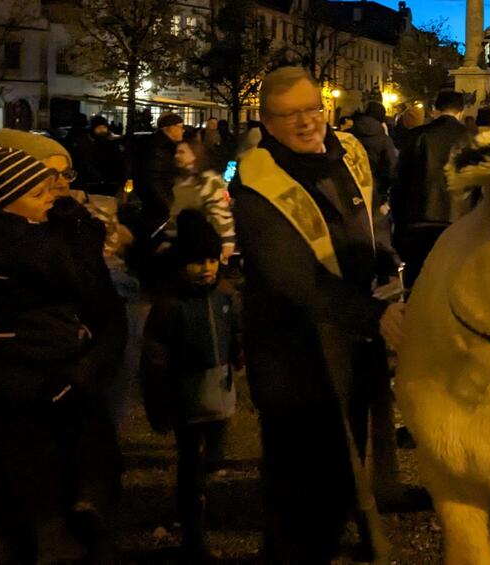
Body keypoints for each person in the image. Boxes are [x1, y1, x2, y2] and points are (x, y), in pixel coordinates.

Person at [230, 67, 412, 563]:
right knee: (298, 488)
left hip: (350, 340)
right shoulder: (257, 182)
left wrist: (388, 273)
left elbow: (372, 221)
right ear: (266, 122)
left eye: (314, 108)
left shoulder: (347, 152)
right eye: (291, 115)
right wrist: (374, 317)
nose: (308, 122)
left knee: (345, 470)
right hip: (295, 355)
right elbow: (295, 278)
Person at [0, 148, 120, 563]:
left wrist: (82, 375)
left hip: (57, 391)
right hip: (13, 402)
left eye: (59, 179)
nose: (55, 192)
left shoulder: (54, 238)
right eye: (41, 186)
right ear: (6, 192)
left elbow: (103, 311)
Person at [141, 210, 243, 564]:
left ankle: (206, 503)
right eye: (197, 262)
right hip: (186, 398)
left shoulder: (225, 296)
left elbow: (236, 335)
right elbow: (154, 359)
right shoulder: (170, 305)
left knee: (214, 456)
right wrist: (160, 406)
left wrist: (239, 356)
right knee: (191, 463)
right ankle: (193, 529)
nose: (207, 269)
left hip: (219, 392)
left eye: (212, 260)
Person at [390, 89, 471, 290]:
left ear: (434, 109)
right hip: (459, 221)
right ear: (461, 111)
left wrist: (399, 225)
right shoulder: (472, 139)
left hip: (419, 219)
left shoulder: (416, 136)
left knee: (417, 284)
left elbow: (400, 182)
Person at [171, 133, 236, 263]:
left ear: (195, 155)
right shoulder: (182, 180)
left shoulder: (209, 181)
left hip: (205, 243)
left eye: (181, 152)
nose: (176, 156)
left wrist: (227, 242)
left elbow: (221, 212)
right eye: (176, 152)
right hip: (185, 242)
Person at [135, 112, 186, 231]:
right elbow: (154, 181)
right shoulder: (160, 148)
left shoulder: (165, 146)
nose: (183, 130)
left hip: (157, 205)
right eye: (180, 127)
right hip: (159, 207)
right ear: (170, 128)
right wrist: (171, 206)